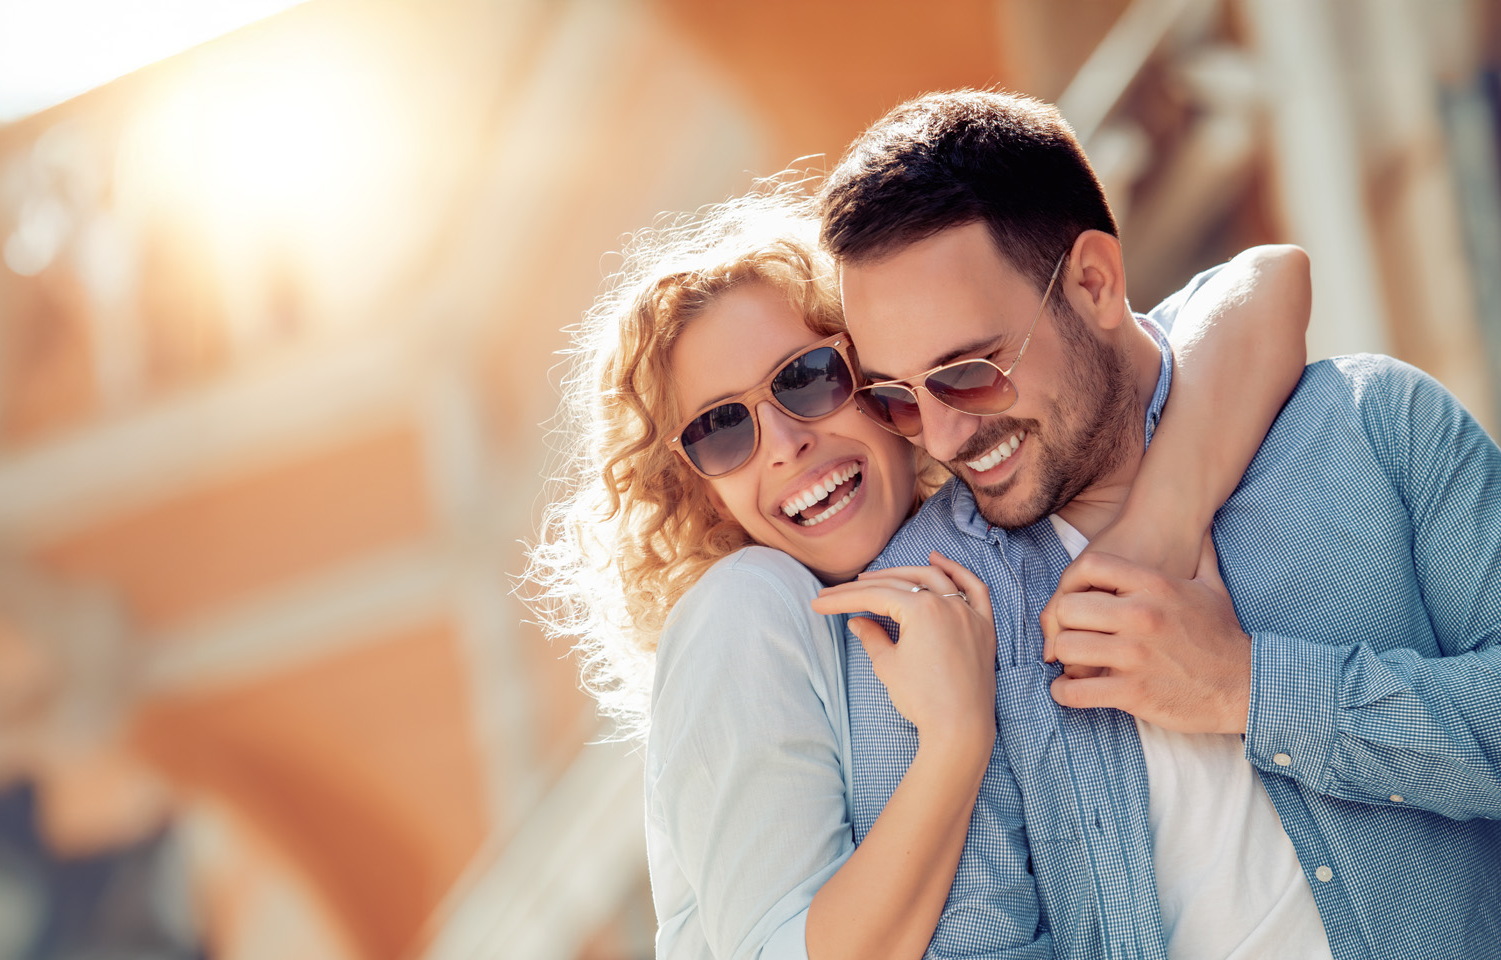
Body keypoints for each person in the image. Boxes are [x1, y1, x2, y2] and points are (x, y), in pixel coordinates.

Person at [526, 183, 1312, 958]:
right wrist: (955, 739)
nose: (782, 443)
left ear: (876, 376)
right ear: (695, 485)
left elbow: (1263, 284)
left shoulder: (975, 544)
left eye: (805, 379)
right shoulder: (749, 605)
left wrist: (1153, 534)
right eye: (721, 429)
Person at [814, 89, 1501, 960]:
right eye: (896, 397)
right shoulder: (924, 611)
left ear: (1095, 284)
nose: (943, 437)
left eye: (969, 372)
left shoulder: (1372, 426)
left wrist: (1248, 689)